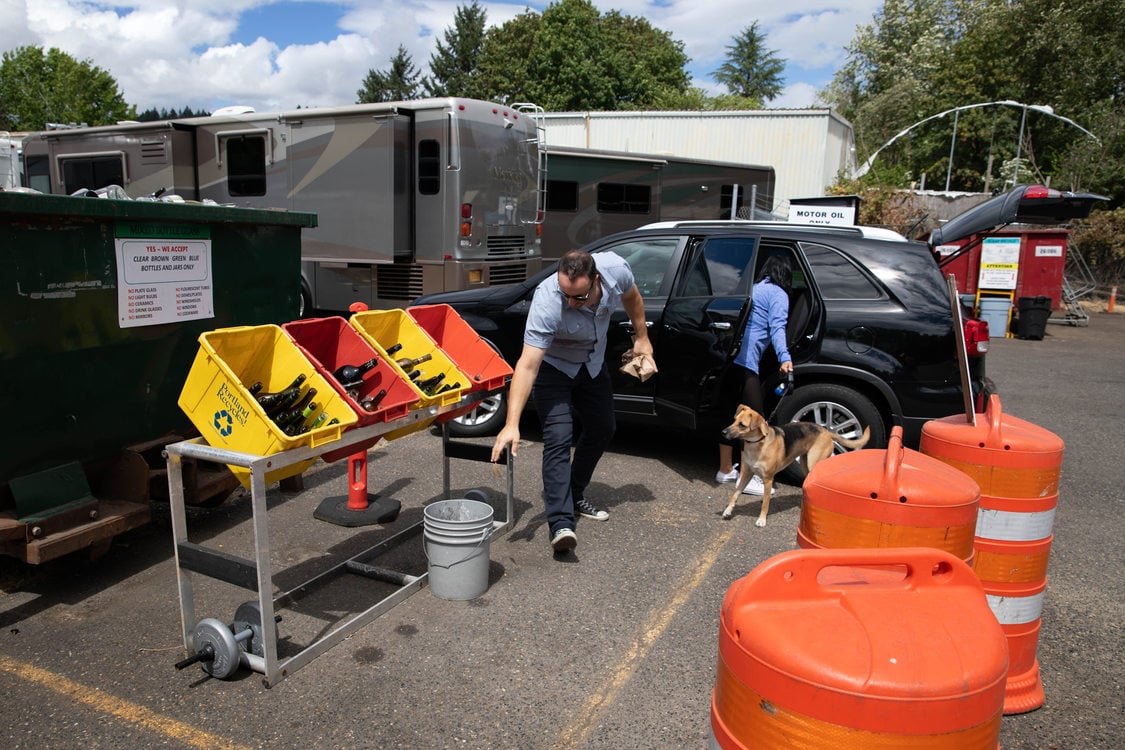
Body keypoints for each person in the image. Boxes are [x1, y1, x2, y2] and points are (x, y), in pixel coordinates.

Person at [490, 249, 653, 555]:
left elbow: (632, 298)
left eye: (577, 297)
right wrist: (511, 423)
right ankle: (561, 523)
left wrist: (641, 337)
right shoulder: (547, 300)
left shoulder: (615, 270)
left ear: (596, 280)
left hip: (592, 364)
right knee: (557, 439)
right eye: (565, 293)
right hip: (554, 369)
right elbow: (527, 365)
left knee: (603, 428)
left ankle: (574, 493)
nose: (569, 302)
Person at [716, 254, 794, 495]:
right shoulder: (779, 294)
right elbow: (778, 327)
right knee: (758, 423)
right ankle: (752, 480)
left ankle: (725, 470)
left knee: (731, 416)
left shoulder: (752, 288)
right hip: (748, 361)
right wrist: (784, 357)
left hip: (731, 358)